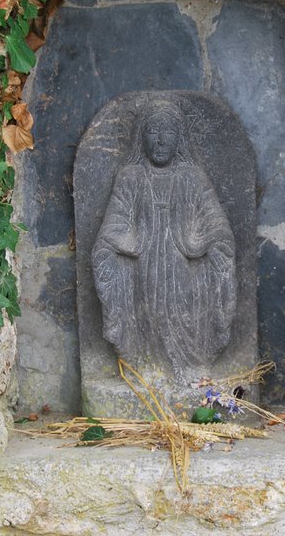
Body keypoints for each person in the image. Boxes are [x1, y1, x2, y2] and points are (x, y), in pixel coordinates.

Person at [92, 100, 236, 375]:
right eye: (153, 132)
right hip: (143, 270)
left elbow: (218, 226)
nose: (160, 140)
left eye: (168, 132)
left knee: (183, 316)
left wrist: (202, 242)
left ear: (179, 138)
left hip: (186, 271)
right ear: (141, 138)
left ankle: (193, 366)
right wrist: (125, 242)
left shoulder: (193, 177)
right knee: (148, 317)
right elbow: (113, 226)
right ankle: (146, 367)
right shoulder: (129, 177)